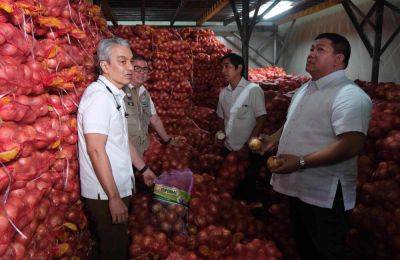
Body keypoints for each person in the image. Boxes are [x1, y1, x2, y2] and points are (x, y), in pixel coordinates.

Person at [262, 33, 372, 259]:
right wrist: (272, 139)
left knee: (325, 251)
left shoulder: (349, 95)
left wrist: (301, 162)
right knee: (306, 248)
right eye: (311, 48)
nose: (311, 54)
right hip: (300, 187)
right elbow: (294, 121)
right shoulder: (306, 88)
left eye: (320, 50)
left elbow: (352, 144)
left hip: (325, 195)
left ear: (339, 59)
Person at [78, 37, 156, 260]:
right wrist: (113, 197)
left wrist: (143, 169)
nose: (130, 68)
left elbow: (122, 140)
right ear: (104, 66)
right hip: (105, 193)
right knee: (115, 250)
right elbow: (95, 150)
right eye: (122, 61)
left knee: (118, 242)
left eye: (130, 61)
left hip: (117, 188)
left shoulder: (115, 95)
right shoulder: (99, 97)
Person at [216, 53, 267, 203]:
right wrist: (220, 133)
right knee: (228, 187)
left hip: (247, 150)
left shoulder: (253, 90)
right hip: (228, 147)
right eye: (222, 67)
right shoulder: (223, 93)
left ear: (239, 68)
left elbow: (261, 118)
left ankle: (251, 211)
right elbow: (221, 116)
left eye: (227, 66)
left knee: (247, 187)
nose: (223, 70)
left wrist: (249, 144)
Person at [123, 55, 178, 157]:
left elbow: (154, 119)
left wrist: (168, 140)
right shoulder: (120, 91)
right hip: (123, 152)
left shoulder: (144, 93)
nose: (142, 73)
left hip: (140, 151)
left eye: (145, 70)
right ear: (129, 69)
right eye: (137, 69)